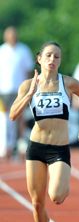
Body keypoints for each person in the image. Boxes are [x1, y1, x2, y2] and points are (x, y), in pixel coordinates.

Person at [8, 41, 79, 222]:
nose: (52, 60)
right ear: (39, 59)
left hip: (59, 149)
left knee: (56, 196)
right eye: (48, 56)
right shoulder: (27, 85)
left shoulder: (68, 83)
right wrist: (29, 95)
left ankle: (63, 179)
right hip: (36, 147)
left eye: (57, 57)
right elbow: (13, 115)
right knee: (37, 203)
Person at [0, 26, 34, 160]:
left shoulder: (23, 50)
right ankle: (6, 145)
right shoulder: (2, 51)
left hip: (20, 89)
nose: (12, 37)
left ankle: (20, 144)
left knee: (20, 117)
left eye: (14, 34)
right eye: (9, 35)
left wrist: (28, 88)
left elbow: (28, 70)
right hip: (3, 90)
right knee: (5, 118)